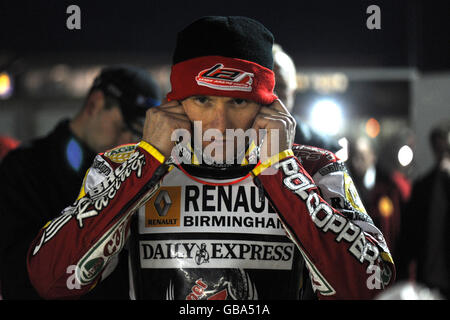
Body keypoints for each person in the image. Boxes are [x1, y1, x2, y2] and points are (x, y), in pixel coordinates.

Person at [26, 16, 394, 300]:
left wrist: (280, 170)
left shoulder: (314, 168)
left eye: (239, 101)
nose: (218, 124)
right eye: (203, 100)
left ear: (270, 105)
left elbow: (369, 285)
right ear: (175, 103)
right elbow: (52, 281)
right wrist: (147, 162)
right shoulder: (123, 166)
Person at [0, 65, 161, 299]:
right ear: (95, 103)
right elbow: (17, 275)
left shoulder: (136, 176)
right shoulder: (24, 167)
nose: (129, 140)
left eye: (139, 134)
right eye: (125, 126)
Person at [397, 120, 450, 298]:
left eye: (447, 150)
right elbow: (409, 236)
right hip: (429, 280)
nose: (443, 156)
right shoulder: (423, 186)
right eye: (439, 150)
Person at [272, 44, 341, 152]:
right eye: (267, 86)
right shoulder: (239, 141)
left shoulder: (323, 148)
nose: (273, 95)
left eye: (280, 86)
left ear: (293, 90)